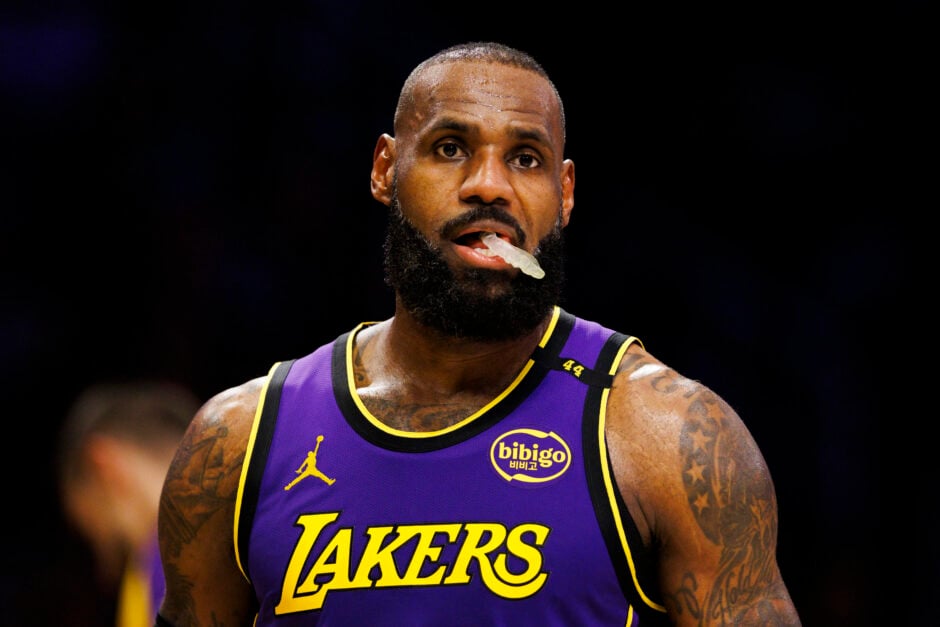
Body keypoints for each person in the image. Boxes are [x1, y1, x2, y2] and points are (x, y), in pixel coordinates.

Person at [155, 41, 801, 626]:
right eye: (450, 148)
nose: (488, 185)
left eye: (525, 158)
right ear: (385, 169)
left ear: (564, 193)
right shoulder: (239, 442)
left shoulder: (670, 437)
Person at [57, 380, 200, 627]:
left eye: (102, 539)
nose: (107, 570)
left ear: (104, 468)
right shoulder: (263, 507)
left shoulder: (165, 558)